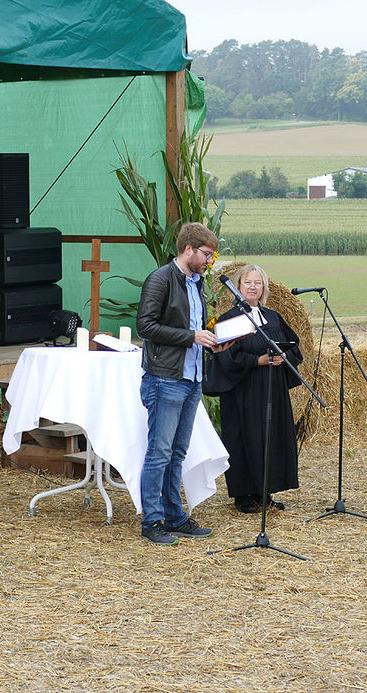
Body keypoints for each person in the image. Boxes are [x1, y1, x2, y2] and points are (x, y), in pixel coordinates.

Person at [136, 222, 232, 546]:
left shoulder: (197, 282)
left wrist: (210, 342)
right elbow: (146, 326)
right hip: (165, 378)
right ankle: (152, 522)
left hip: (191, 377)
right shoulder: (160, 279)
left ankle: (175, 517)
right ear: (188, 249)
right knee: (159, 453)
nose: (210, 261)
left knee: (178, 452)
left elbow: (191, 328)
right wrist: (191, 336)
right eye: (207, 254)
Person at [204, 264, 302, 514]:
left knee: (269, 437)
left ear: (264, 288)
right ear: (237, 287)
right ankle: (242, 494)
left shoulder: (272, 317)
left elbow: (294, 346)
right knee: (244, 437)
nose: (252, 287)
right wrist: (255, 361)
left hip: (271, 387)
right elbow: (225, 356)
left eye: (257, 283)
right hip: (242, 390)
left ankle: (264, 491)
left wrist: (283, 356)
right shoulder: (229, 320)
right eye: (247, 282)